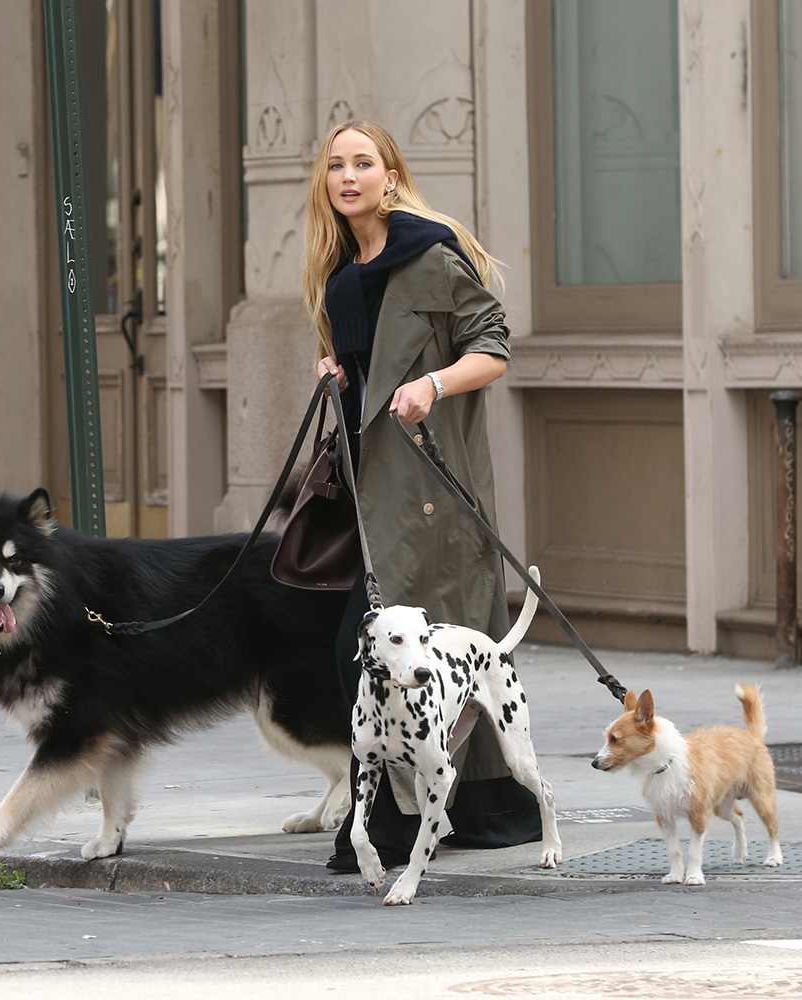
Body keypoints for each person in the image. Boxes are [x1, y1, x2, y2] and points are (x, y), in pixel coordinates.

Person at [302, 119, 543, 873]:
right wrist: (338, 375)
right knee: (379, 654)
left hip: (432, 487)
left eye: (363, 163)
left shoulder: (430, 258)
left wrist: (432, 384)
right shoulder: (342, 277)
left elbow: (493, 345)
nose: (348, 177)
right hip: (375, 490)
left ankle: (402, 824)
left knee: (391, 652)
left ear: (391, 176)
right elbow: (364, 369)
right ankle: (415, 817)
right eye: (336, 165)